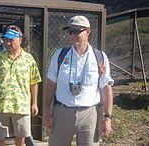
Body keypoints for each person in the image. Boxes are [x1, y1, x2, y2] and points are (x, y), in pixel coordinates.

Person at [43, 15, 114, 146]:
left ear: (88, 32)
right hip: (62, 113)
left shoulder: (100, 57)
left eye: (77, 31)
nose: (73, 35)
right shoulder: (59, 55)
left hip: (89, 114)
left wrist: (108, 117)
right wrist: (46, 112)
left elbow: (105, 88)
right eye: (70, 31)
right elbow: (50, 84)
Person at [0, 25, 42, 146]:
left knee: (20, 138)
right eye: (6, 40)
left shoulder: (29, 59)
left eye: (11, 40)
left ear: (20, 40)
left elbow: (34, 82)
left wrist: (34, 103)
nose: (8, 43)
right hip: (1, 106)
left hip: (21, 106)